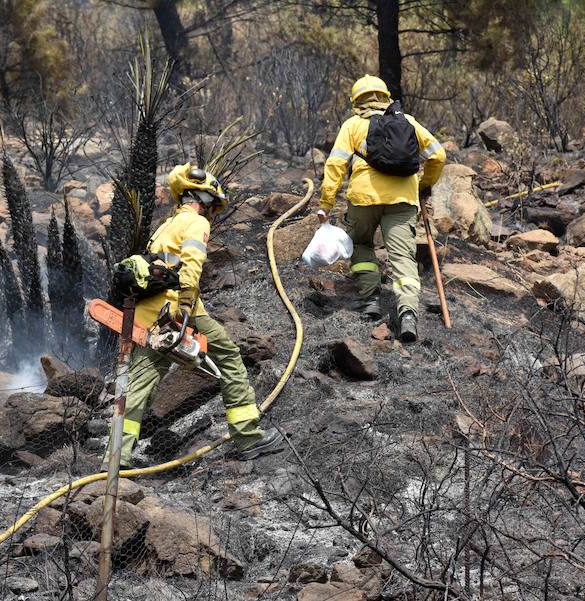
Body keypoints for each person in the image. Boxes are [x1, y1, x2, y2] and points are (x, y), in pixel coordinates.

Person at [104, 164, 284, 469]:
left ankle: (115, 458)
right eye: (212, 204)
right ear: (202, 197)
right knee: (228, 357)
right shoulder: (195, 222)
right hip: (176, 310)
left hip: (149, 316)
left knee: (139, 382)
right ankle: (247, 437)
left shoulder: (166, 225)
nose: (213, 212)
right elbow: (192, 263)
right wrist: (186, 306)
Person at [317, 74, 446, 342]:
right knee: (402, 259)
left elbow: (335, 166)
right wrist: (425, 184)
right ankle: (408, 313)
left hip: (363, 200)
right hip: (402, 201)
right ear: (386, 97)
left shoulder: (353, 125)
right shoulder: (407, 121)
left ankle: (371, 298)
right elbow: (438, 155)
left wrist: (326, 203)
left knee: (362, 244)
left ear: (356, 101)